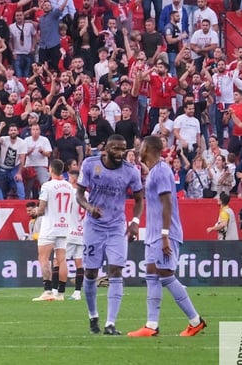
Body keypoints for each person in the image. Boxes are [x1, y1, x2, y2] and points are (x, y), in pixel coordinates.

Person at [127, 135, 207, 337]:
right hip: (153, 233)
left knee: (165, 275)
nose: (138, 149)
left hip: (164, 233)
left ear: (149, 149)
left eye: (141, 146)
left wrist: (165, 235)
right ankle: (151, 325)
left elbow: (167, 203)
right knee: (151, 275)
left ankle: (195, 321)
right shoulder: (154, 171)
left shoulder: (162, 171)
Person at [75, 134, 144, 335]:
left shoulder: (131, 171)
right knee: (90, 273)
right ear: (106, 149)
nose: (120, 153)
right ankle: (93, 316)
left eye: (123, 149)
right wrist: (89, 208)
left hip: (116, 227)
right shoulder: (90, 164)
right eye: (116, 149)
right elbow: (79, 194)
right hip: (93, 226)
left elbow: (139, 199)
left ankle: (110, 323)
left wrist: (135, 222)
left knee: (116, 271)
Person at [32, 159, 75, 302]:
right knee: (61, 259)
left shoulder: (47, 186)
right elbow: (70, 207)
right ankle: (61, 293)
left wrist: (35, 211)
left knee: (44, 258)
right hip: (64, 226)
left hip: (50, 226)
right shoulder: (69, 186)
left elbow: (41, 209)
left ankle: (48, 290)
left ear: (50, 169)